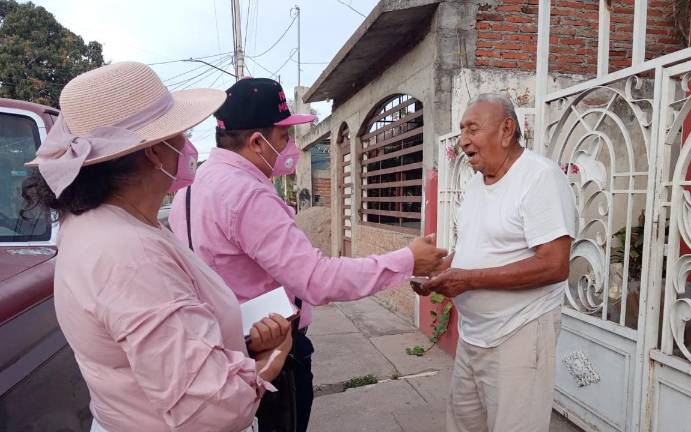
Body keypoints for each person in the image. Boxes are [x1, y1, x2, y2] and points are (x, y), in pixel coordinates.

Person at [22, 62, 293, 432]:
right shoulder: (129, 254)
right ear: (153, 152)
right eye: (179, 133)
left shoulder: (101, 224)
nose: (188, 145)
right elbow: (214, 407)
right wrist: (270, 359)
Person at [169, 77, 447, 432]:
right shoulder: (247, 194)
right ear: (257, 142)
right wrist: (407, 260)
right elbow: (317, 279)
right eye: (284, 136)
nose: (291, 146)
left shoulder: (192, 189)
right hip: (268, 351)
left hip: (223, 346)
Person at [417, 94, 577, 432]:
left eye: (472, 129)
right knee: (463, 425)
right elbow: (477, 246)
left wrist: (469, 279)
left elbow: (555, 265)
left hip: (519, 334)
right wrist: (441, 270)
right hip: (473, 336)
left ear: (506, 130)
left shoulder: (539, 177)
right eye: (462, 130)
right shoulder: (477, 183)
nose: (463, 140)